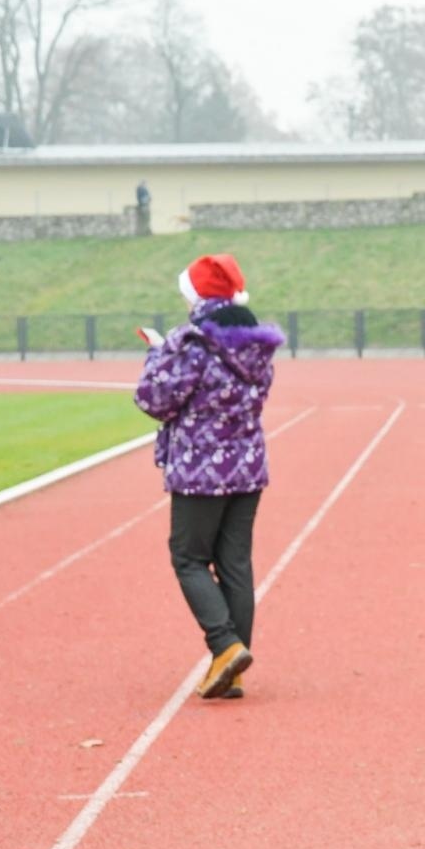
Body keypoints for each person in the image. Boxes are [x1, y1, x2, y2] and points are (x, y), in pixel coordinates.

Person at [136, 253, 283, 700]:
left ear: (196, 295)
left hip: (199, 471)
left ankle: (224, 645)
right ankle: (232, 668)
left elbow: (153, 399)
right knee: (236, 564)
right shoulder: (257, 345)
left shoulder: (191, 343)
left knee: (189, 557)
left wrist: (156, 355)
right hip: (248, 468)